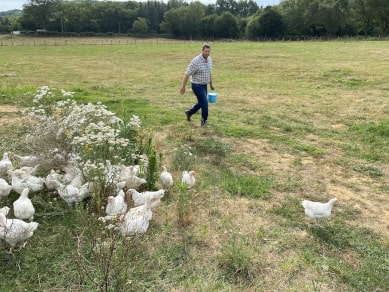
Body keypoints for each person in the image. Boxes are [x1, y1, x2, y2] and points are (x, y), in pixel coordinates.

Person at [180, 44, 215, 126]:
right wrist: (183, 86)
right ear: (202, 51)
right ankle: (204, 121)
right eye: (205, 51)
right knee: (205, 103)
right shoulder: (196, 61)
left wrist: (211, 84)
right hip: (197, 85)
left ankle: (189, 112)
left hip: (204, 85)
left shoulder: (209, 59)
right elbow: (187, 74)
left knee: (201, 102)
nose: (207, 53)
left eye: (208, 51)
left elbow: (209, 72)